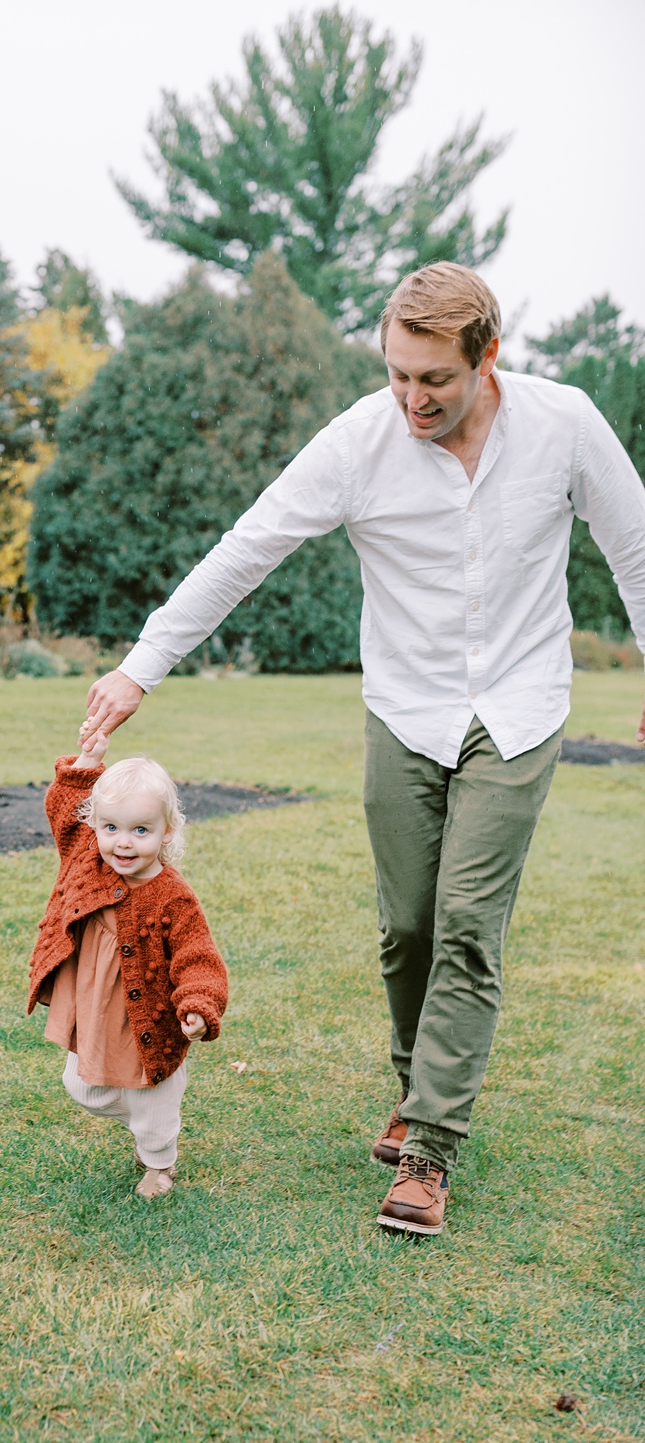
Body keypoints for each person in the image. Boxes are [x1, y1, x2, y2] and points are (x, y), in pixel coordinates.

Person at [79, 262, 645, 1235]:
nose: (412, 398)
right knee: (407, 927)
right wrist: (142, 667)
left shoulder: (566, 424)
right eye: (397, 374)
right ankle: (415, 1087)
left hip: (520, 708)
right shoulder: (358, 443)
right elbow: (246, 549)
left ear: (488, 357)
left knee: (466, 923)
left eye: (435, 379)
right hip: (406, 708)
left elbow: (635, 545)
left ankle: (430, 1148)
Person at [27, 728, 228, 1199]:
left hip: (149, 1016)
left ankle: (159, 1160)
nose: (123, 843)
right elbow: (63, 811)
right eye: (111, 828)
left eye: (141, 830)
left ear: (166, 832)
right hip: (97, 1004)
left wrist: (199, 1004)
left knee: (151, 1095)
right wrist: (87, 760)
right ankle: (146, 1122)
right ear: (94, 825)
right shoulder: (86, 856)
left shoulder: (172, 896)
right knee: (83, 1087)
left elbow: (198, 956)